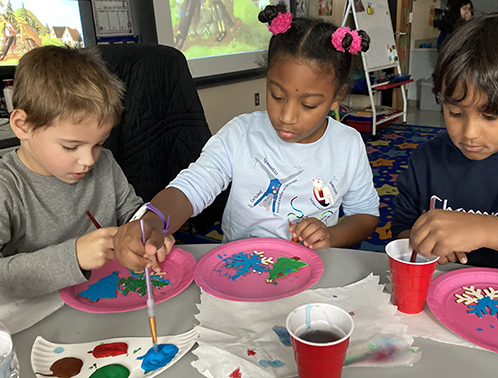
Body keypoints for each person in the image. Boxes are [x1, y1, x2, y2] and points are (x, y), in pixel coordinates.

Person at [113, 3, 381, 271]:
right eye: (277, 96)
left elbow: (365, 215)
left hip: (311, 269)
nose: (286, 116)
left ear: (336, 97)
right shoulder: (240, 134)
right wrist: (154, 220)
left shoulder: (348, 144)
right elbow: (193, 187)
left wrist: (332, 236)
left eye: (308, 105)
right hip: (241, 269)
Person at [392, 11, 498, 281]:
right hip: (444, 298)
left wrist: (484, 230)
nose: (469, 133)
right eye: (455, 113)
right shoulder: (427, 160)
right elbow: (402, 229)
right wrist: (421, 241)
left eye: (491, 116)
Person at [0, 46, 172, 303]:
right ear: (22, 126)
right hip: (37, 318)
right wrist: (75, 256)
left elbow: (133, 215)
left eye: (99, 144)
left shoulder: (105, 164)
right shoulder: (7, 188)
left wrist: (146, 233)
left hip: (107, 298)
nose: (89, 160)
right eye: (70, 146)